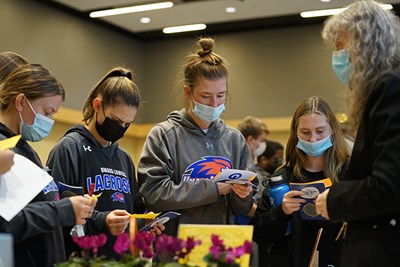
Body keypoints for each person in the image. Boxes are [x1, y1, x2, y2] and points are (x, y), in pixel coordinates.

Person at [137, 37, 255, 236]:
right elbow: (154, 194)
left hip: (221, 247)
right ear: (188, 92)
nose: (214, 104)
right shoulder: (164, 135)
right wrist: (215, 188)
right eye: (205, 96)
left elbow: (245, 207)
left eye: (221, 95)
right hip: (175, 249)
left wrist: (243, 195)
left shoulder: (234, 139)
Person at [47, 67, 163, 260]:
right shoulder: (69, 149)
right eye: (116, 120)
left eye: (127, 124)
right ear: (97, 105)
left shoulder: (124, 158)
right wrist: (102, 220)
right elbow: (59, 212)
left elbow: (132, 212)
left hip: (120, 260)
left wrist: (146, 224)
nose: (121, 128)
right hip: (80, 260)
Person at [315, 1, 400, 266]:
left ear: (366, 44)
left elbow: (389, 186)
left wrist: (335, 199)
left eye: (341, 47)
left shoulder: (390, 87)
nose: (338, 57)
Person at [0, 63, 97, 267]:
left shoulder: (24, 148)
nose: (50, 121)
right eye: (47, 112)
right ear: (20, 102)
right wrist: (63, 210)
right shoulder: (4, 150)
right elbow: (6, 225)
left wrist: (71, 206)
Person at [252, 96, 350, 267]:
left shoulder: (349, 173)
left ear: (332, 130)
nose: (313, 139)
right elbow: (260, 235)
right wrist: (282, 212)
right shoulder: (283, 178)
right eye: (305, 132)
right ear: (296, 133)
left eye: (320, 131)